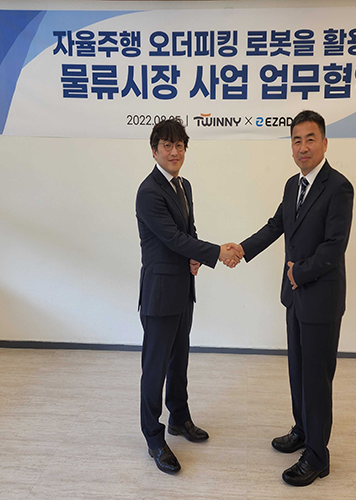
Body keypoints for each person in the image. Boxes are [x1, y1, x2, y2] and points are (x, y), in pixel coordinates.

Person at [228, 110, 354, 486]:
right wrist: (242, 249)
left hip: (321, 299)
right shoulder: (291, 185)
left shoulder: (339, 187)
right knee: (298, 371)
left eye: (310, 139)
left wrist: (298, 273)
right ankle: (302, 430)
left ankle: (317, 456)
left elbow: (334, 246)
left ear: (325, 143)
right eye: (296, 140)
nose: (303, 147)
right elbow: (276, 226)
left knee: (317, 378)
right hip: (295, 298)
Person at [135, 118, 242, 474]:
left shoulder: (184, 186)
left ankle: (179, 418)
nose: (174, 152)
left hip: (183, 289)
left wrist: (195, 256)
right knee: (155, 367)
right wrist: (216, 252)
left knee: (179, 359)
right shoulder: (149, 191)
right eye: (167, 145)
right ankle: (153, 436)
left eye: (179, 145)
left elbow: (187, 232)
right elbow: (171, 237)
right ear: (154, 151)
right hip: (160, 292)